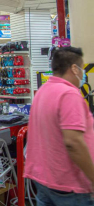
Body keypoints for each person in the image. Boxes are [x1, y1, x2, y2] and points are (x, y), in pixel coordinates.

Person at [25, 47, 94, 206]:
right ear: (74, 69)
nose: (82, 75)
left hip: (44, 181)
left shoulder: (42, 91)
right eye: (81, 69)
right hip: (69, 186)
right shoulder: (69, 94)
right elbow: (73, 143)